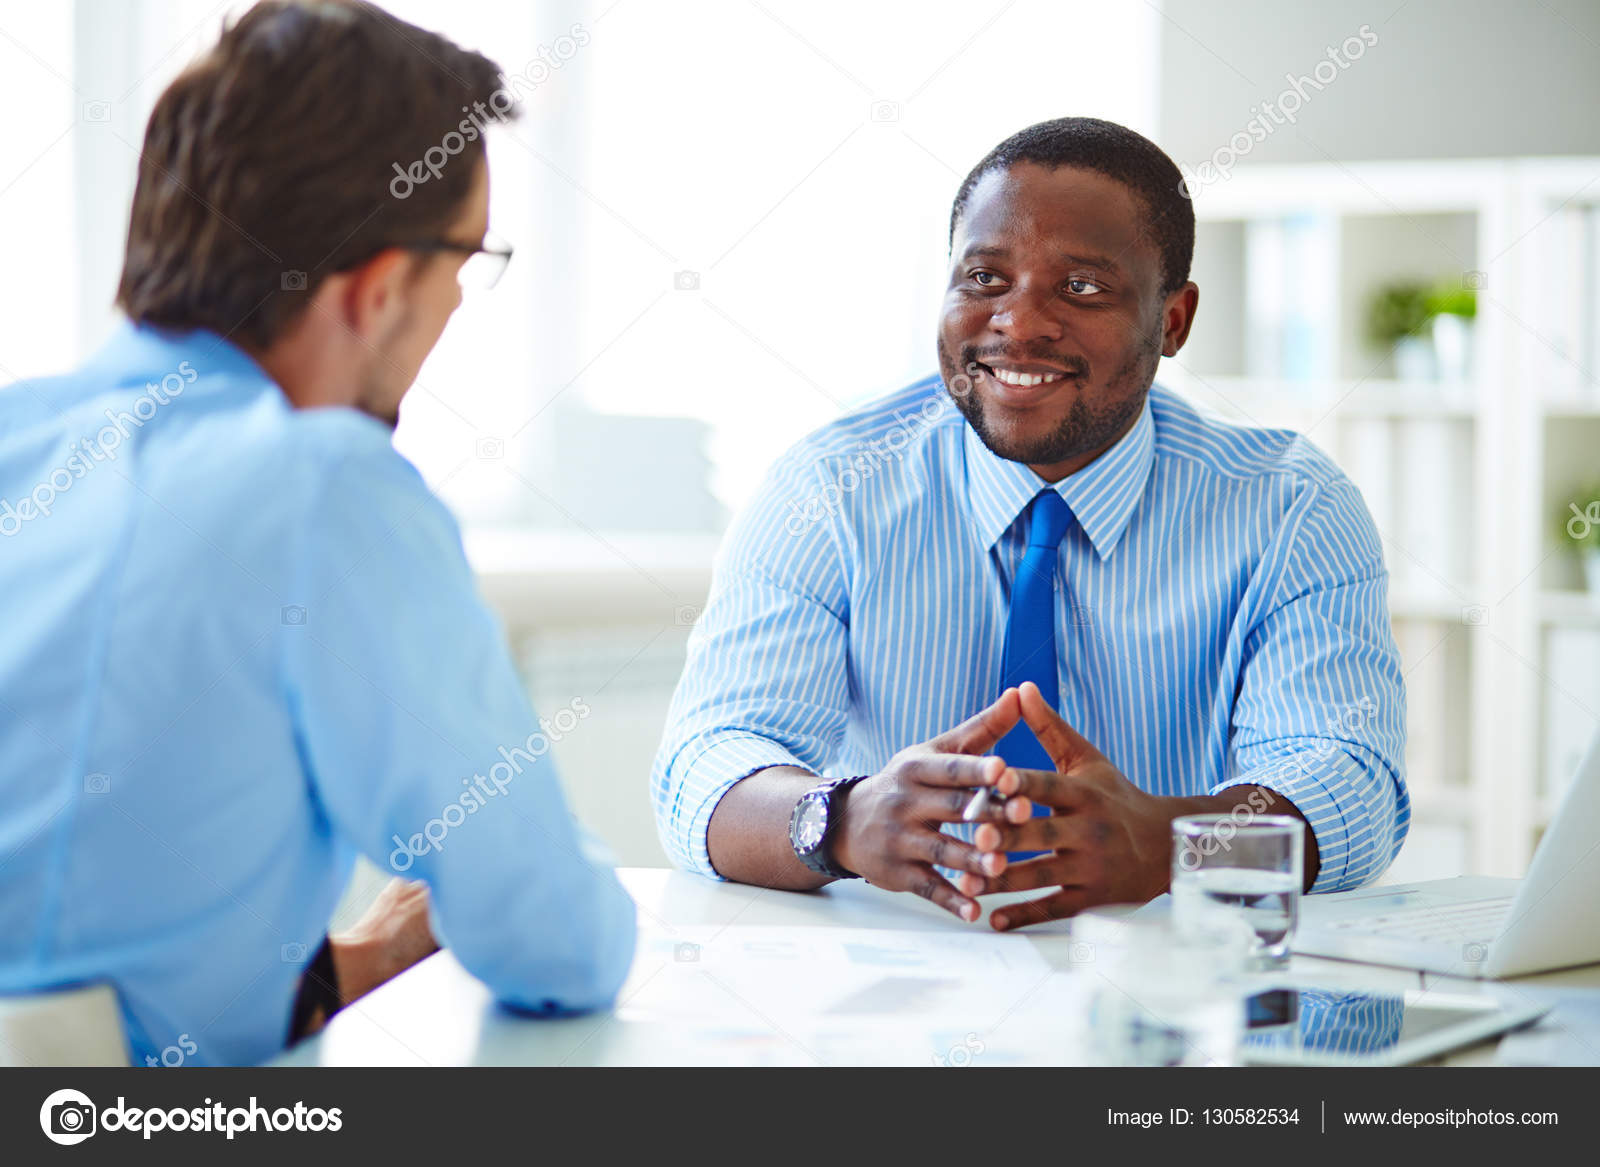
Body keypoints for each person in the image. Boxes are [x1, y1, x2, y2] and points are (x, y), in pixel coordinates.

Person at [0, 0, 634, 1067]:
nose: (456, 306)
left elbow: (78, 952)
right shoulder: (324, 487)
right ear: (379, 289)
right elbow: (553, 940)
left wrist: (353, 963)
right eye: (467, 263)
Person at [652, 117, 1408, 930]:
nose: (1018, 323)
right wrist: (841, 819)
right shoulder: (831, 487)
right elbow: (709, 761)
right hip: (892, 976)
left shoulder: (1289, 508)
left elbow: (1346, 778)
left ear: (1173, 320)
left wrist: (1170, 845)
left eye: (1081, 287)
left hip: (1164, 978)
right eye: (985, 278)